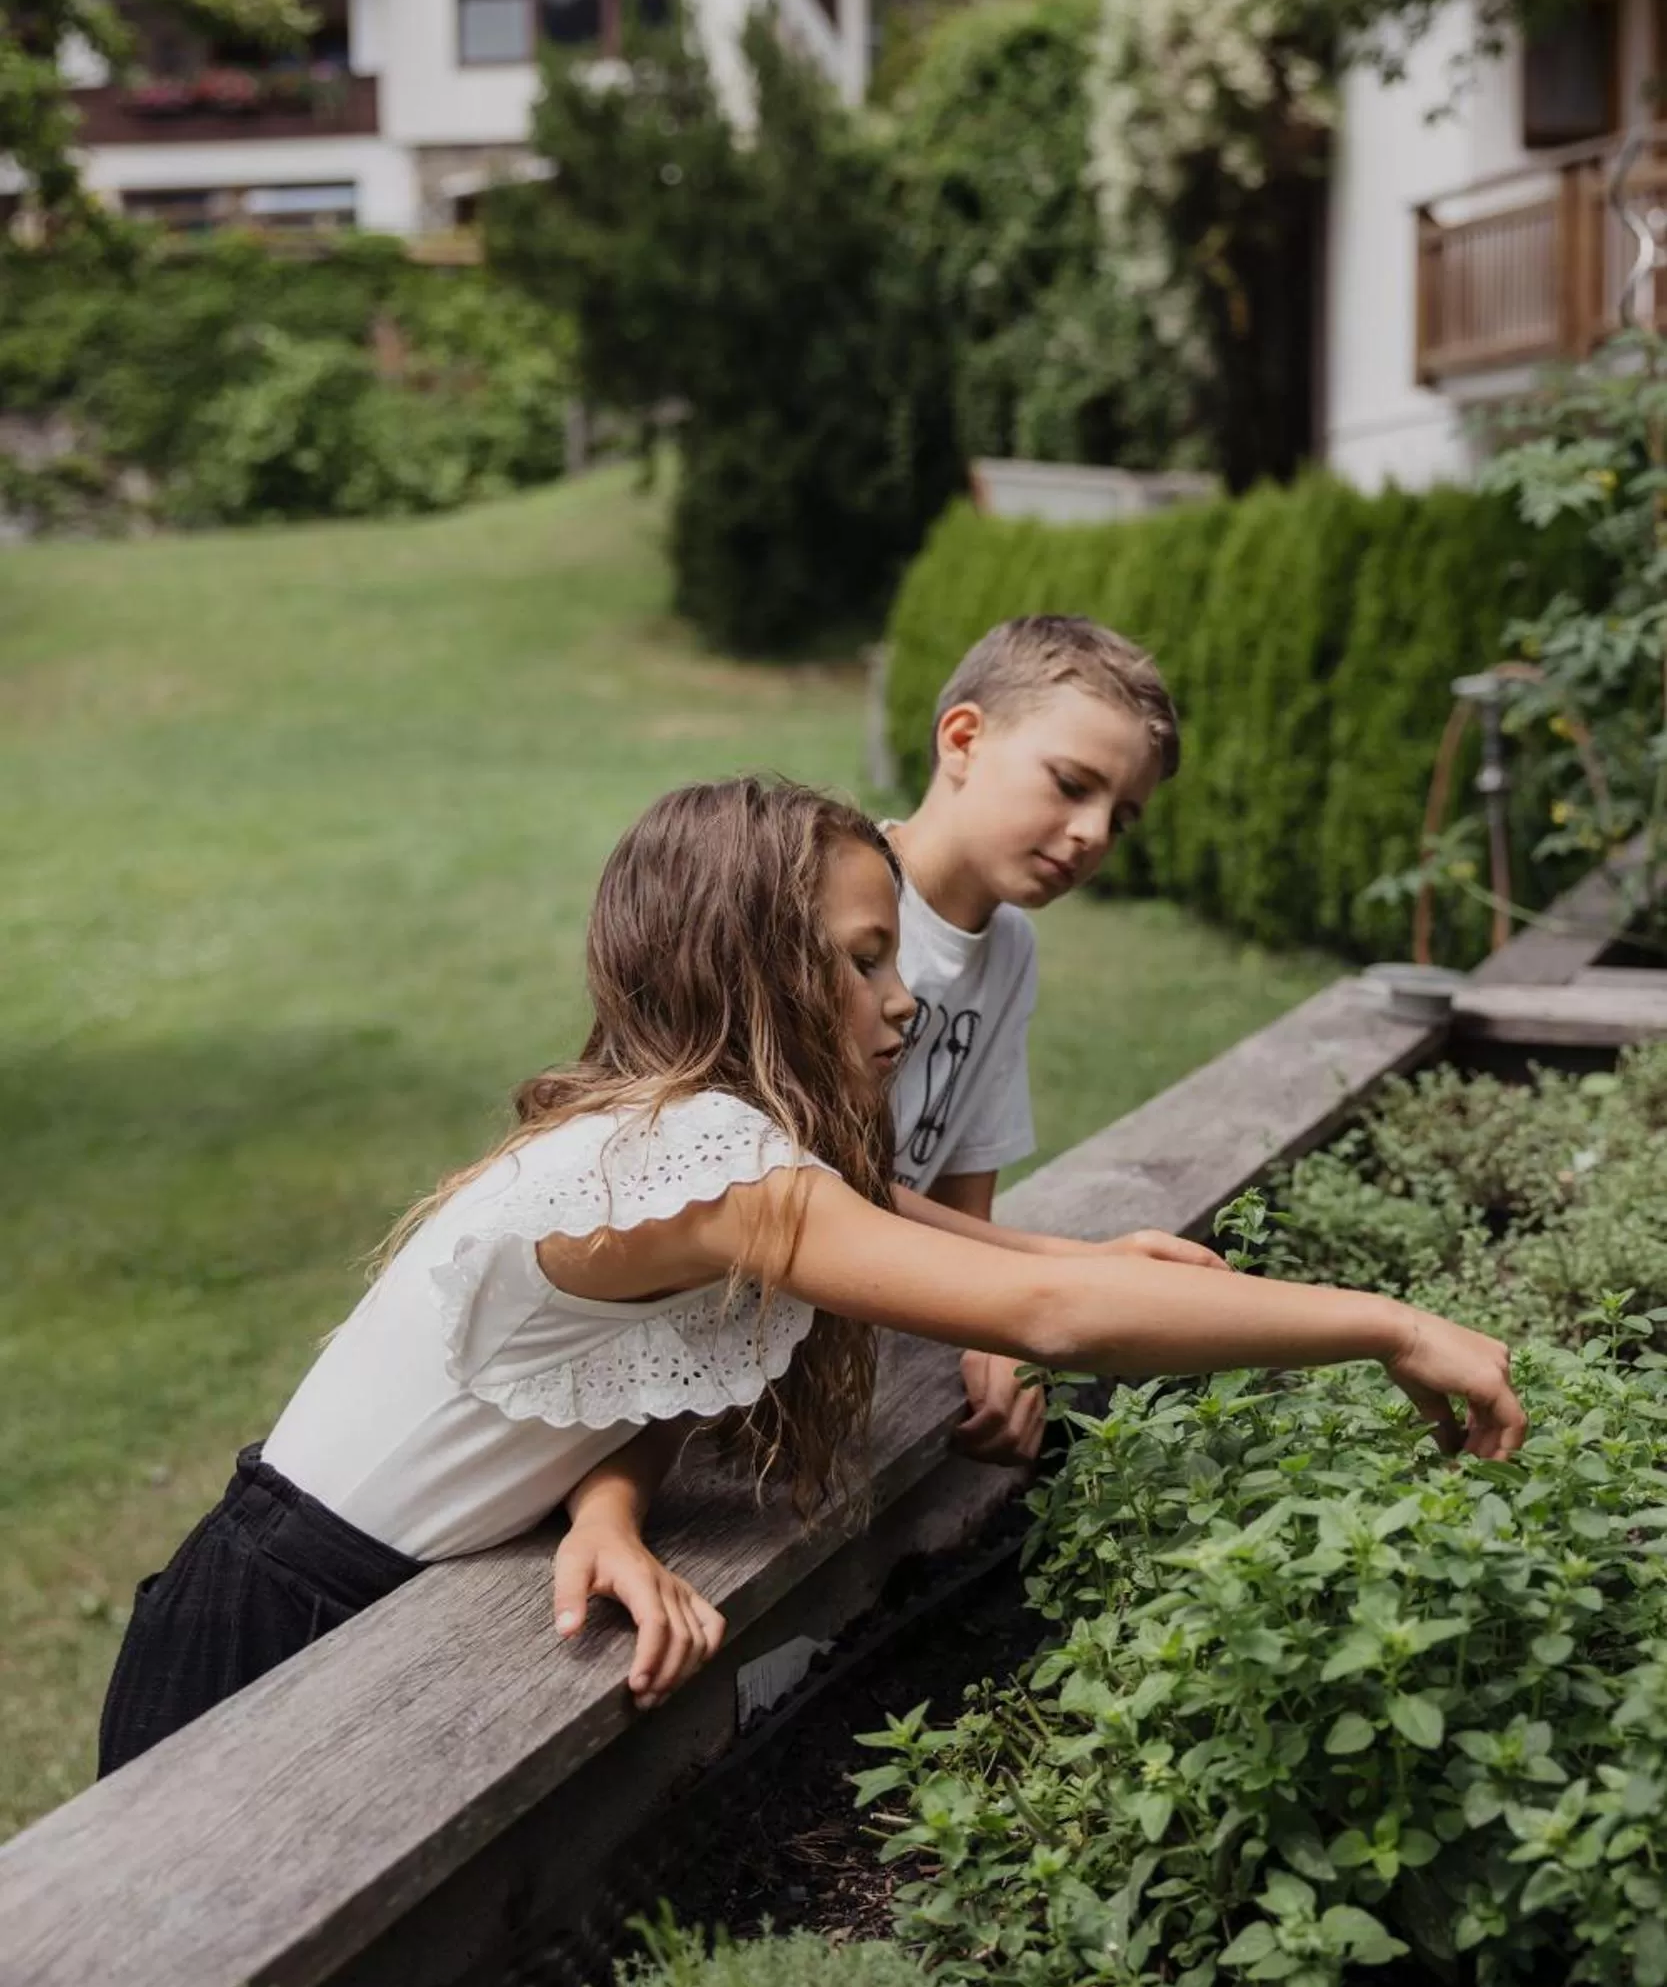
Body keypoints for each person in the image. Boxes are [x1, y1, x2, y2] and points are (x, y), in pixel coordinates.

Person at [99, 780, 1524, 1776]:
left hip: (331, 1592)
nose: (901, 1000)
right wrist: (1384, 1324)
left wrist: (602, 1494)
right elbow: (1045, 1323)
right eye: (857, 964)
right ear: (748, 978)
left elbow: (852, 1247)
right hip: (277, 1623)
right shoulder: (704, 1162)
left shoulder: (688, 1141)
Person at [888, 613, 1182, 1466]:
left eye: (1120, 819)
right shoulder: (842, 912)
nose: (1093, 834)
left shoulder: (1009, 947)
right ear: (963, 739)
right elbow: (821, 1195)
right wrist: (1054, 1279)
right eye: (1069, 783)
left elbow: (959, 1177)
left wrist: (993, 1327)